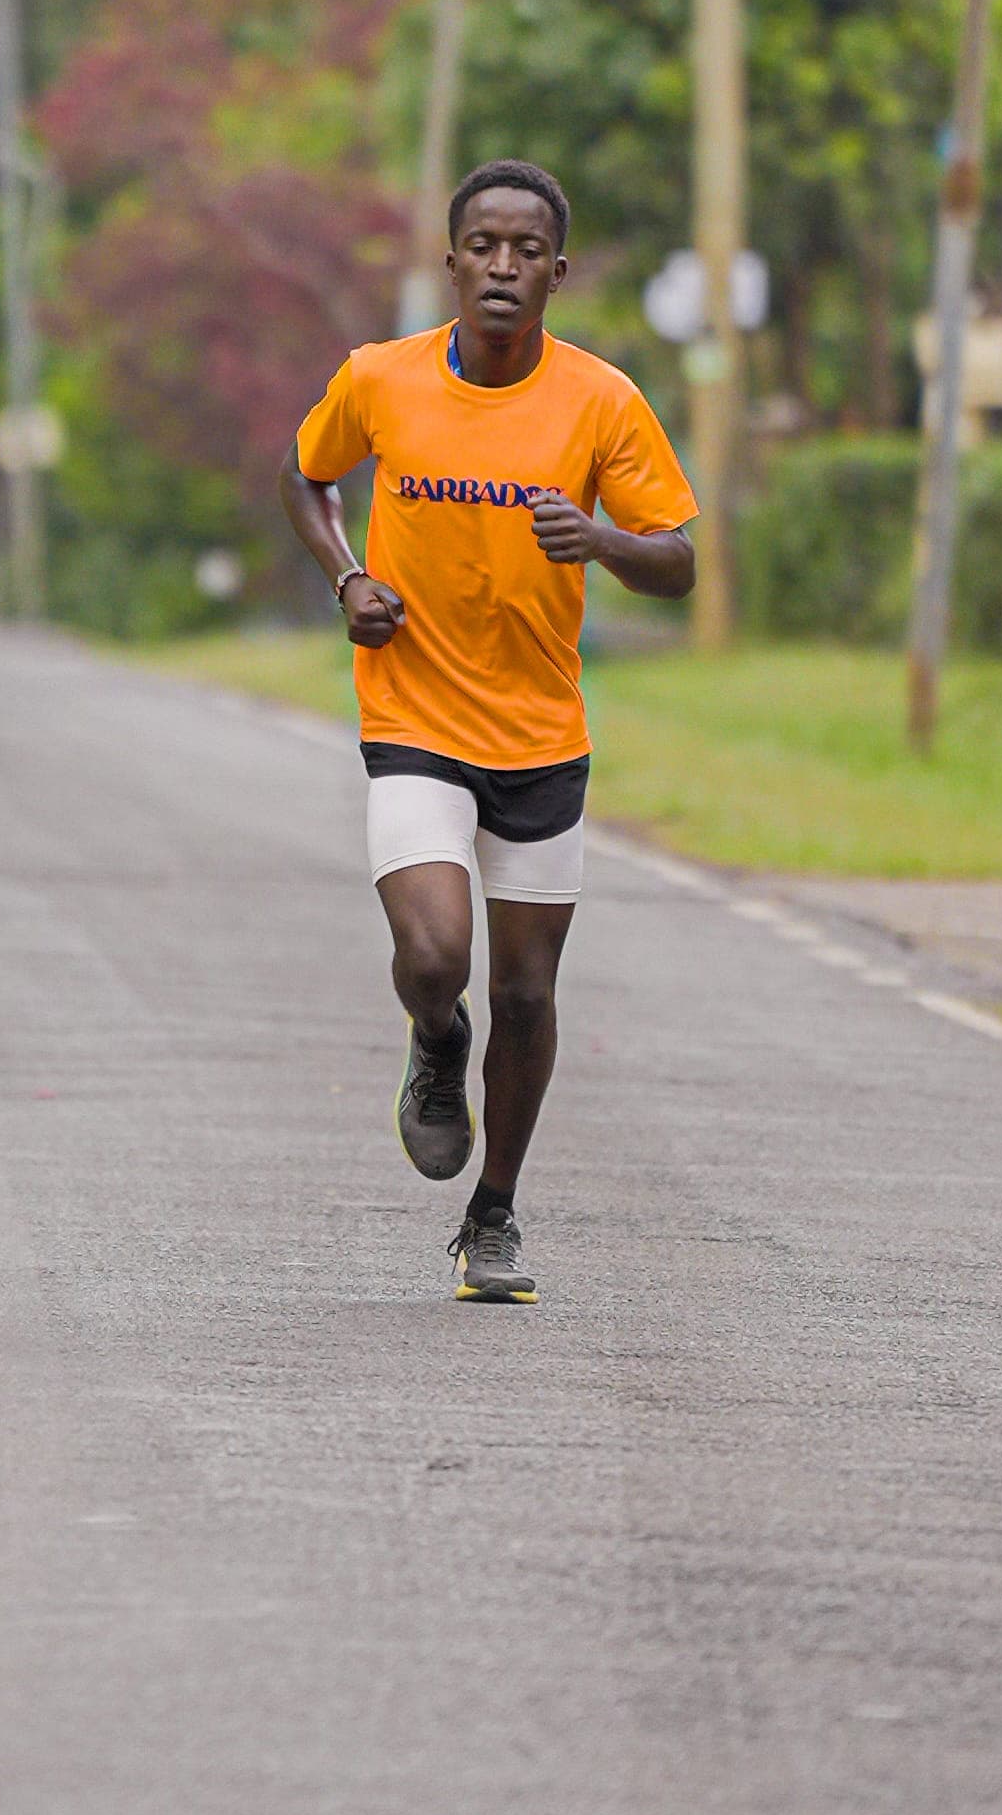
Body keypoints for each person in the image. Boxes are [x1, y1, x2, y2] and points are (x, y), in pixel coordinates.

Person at [279, 160, 696, 1305]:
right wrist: (347, 577)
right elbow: (305, 476)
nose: (503, 266)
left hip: (543, 733)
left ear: (556, 274)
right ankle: (432, 1038)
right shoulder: (381, 379)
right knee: (435, 957)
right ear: (451, 260)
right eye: (483, 246)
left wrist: (602, 542)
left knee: (525, 993)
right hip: (413, 711)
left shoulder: (601, 400)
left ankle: (494, 1214)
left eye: (526, 251)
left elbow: (681, 559)